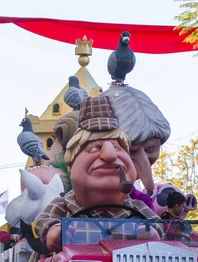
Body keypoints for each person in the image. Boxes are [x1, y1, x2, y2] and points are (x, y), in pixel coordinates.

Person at [35, 95, 160, 253]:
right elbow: (44, 222)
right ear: (70, 166)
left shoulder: (137, 209)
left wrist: (152, 232)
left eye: (116, 148)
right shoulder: (64, 205)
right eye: (95, 148)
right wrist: (54, 232)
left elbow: (160, 227)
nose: (110, 156)